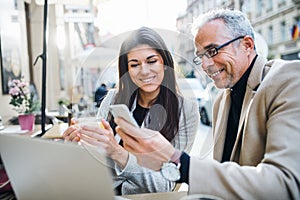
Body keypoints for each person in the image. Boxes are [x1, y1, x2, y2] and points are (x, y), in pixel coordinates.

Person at [114, 9, 300, 199]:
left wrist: (178, 160)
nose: (205, 65)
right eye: (200, 56)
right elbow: (225, 178)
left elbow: (285, 184)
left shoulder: (288, 78)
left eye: (212, 51)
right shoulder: (221, 100)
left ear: (247, 45)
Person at [63, 27, 200, 195]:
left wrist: (117, 152)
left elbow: (165, 184)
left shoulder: (187, 111)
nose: (144, 70)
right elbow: (96, 161)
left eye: (151, 61)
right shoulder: (113, 99)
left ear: (164, 63)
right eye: (134, 65)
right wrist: (76, 147)